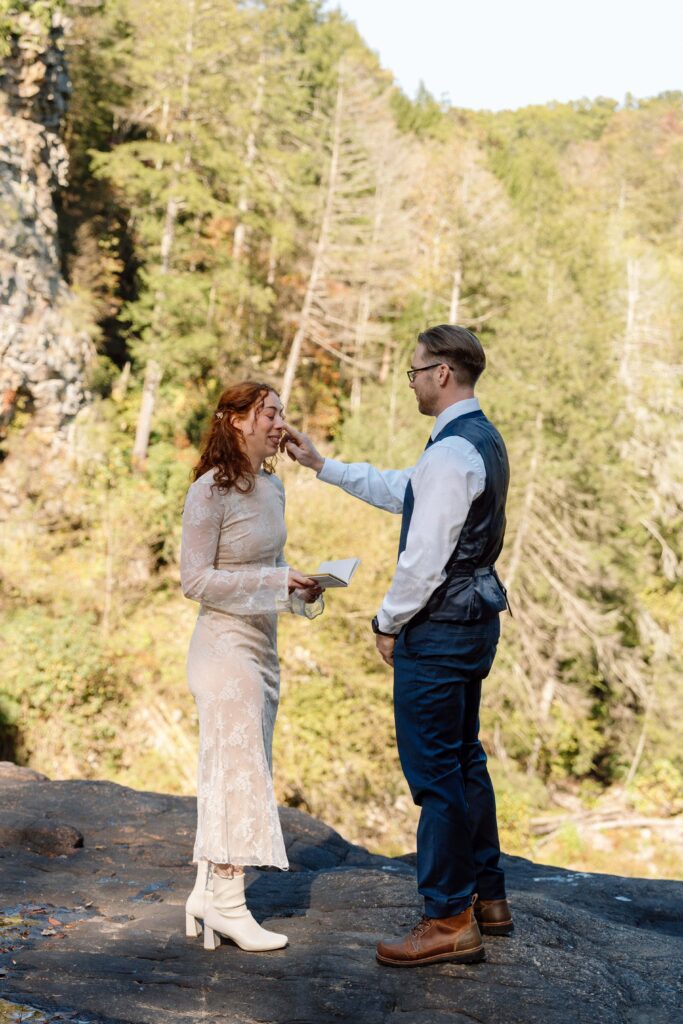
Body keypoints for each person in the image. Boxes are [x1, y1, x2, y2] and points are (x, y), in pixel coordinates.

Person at [282, 325, 513, 967]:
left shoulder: (449, 453)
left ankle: (446, 918)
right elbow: (401, 492)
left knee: (435, 775)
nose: (410, 380)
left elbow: (423, 560)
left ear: (442, 373)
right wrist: (322, 465)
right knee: (464, 759)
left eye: (413, 371)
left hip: (439, 630)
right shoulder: (478, 440)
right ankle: (488, 900)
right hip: (473, 622)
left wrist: (387, 621)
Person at [180, 381, 322, 953]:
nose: (279, 422)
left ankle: (202, 891)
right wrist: (273, 580)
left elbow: (272, 568)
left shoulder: (273, 488)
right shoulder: (208, 492)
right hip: (222, 651)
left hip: (263, 648)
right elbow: (196, 581)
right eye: (269, 412)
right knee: (240, 773)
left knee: (239, 765)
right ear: (237, 421)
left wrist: (300, 589)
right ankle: (229, 905)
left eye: (282, 412)